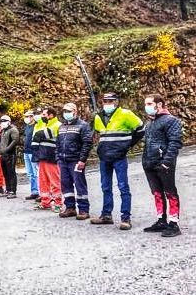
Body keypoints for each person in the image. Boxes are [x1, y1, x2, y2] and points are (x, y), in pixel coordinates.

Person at [91, 92, 145, 230]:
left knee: (123, 187)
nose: (107, 103)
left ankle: (126, 217)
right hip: (104, 157)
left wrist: (128, 145)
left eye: (110, 101)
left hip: (119, 156)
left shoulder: (126, 114)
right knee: (105, 187)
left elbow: (141, 129)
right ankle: (106, 215)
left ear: (116, 102)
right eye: (105, 101)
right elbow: (100, 135)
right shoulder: (98, 117)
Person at [141, 94, 183, 237]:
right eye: (146, 104)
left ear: (159, 104)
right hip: (149, 164)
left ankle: (173, 224)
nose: (146, 106)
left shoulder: (171, 121)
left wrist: (167, 162)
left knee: (170, 192)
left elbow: (175, 143)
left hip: (164, 164)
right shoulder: (149, 123)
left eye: (149, 103)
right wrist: (145, 161)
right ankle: (161, 220)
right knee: (157, 193)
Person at [56, 103, 93, 220]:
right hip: (63, 160)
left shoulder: (83, 125)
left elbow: (87, 143)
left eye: (68, 111)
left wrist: (82, 160)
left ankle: (83, 210)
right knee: (65, 185)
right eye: (64, 111)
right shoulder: (61, 127)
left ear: (75, 111)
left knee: (80, 185)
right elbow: (57, 144)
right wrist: (58, 158)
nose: (66, 113)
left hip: (75, 161)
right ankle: (70, 208)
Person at [32, 107, 63, 212]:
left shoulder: (57, 125)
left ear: (51, 115)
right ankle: (45, 202)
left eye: (44, 115)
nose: (42, 116)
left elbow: (39, 134)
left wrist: (38, 136)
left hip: (52, 157)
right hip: (43, 157)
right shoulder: (45, 124)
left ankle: (58, 203)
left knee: (55, 181)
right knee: (43, 181)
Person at [0, 115, 19, 199]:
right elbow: (1, 142)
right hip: (3, 155)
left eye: (3, 121)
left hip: (10, 154)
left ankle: (13, 191)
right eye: (1, 122)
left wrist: (6, 149)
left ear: (8, 121)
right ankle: (8, 189)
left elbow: (15, 141)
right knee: (5, 173)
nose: (2, 123)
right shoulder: (3, 130)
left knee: (11, 173)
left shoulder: (13, 130)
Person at [22, 111, 40, 200]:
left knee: (36, 173)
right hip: (26, 151)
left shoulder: (36, 126)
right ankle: (34, 191)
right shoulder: (27, 127)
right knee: (30, 174)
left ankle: (40, 192)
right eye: (25, 116)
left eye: (28, 116)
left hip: (33, 152)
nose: (26, 118)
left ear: (32, 117)